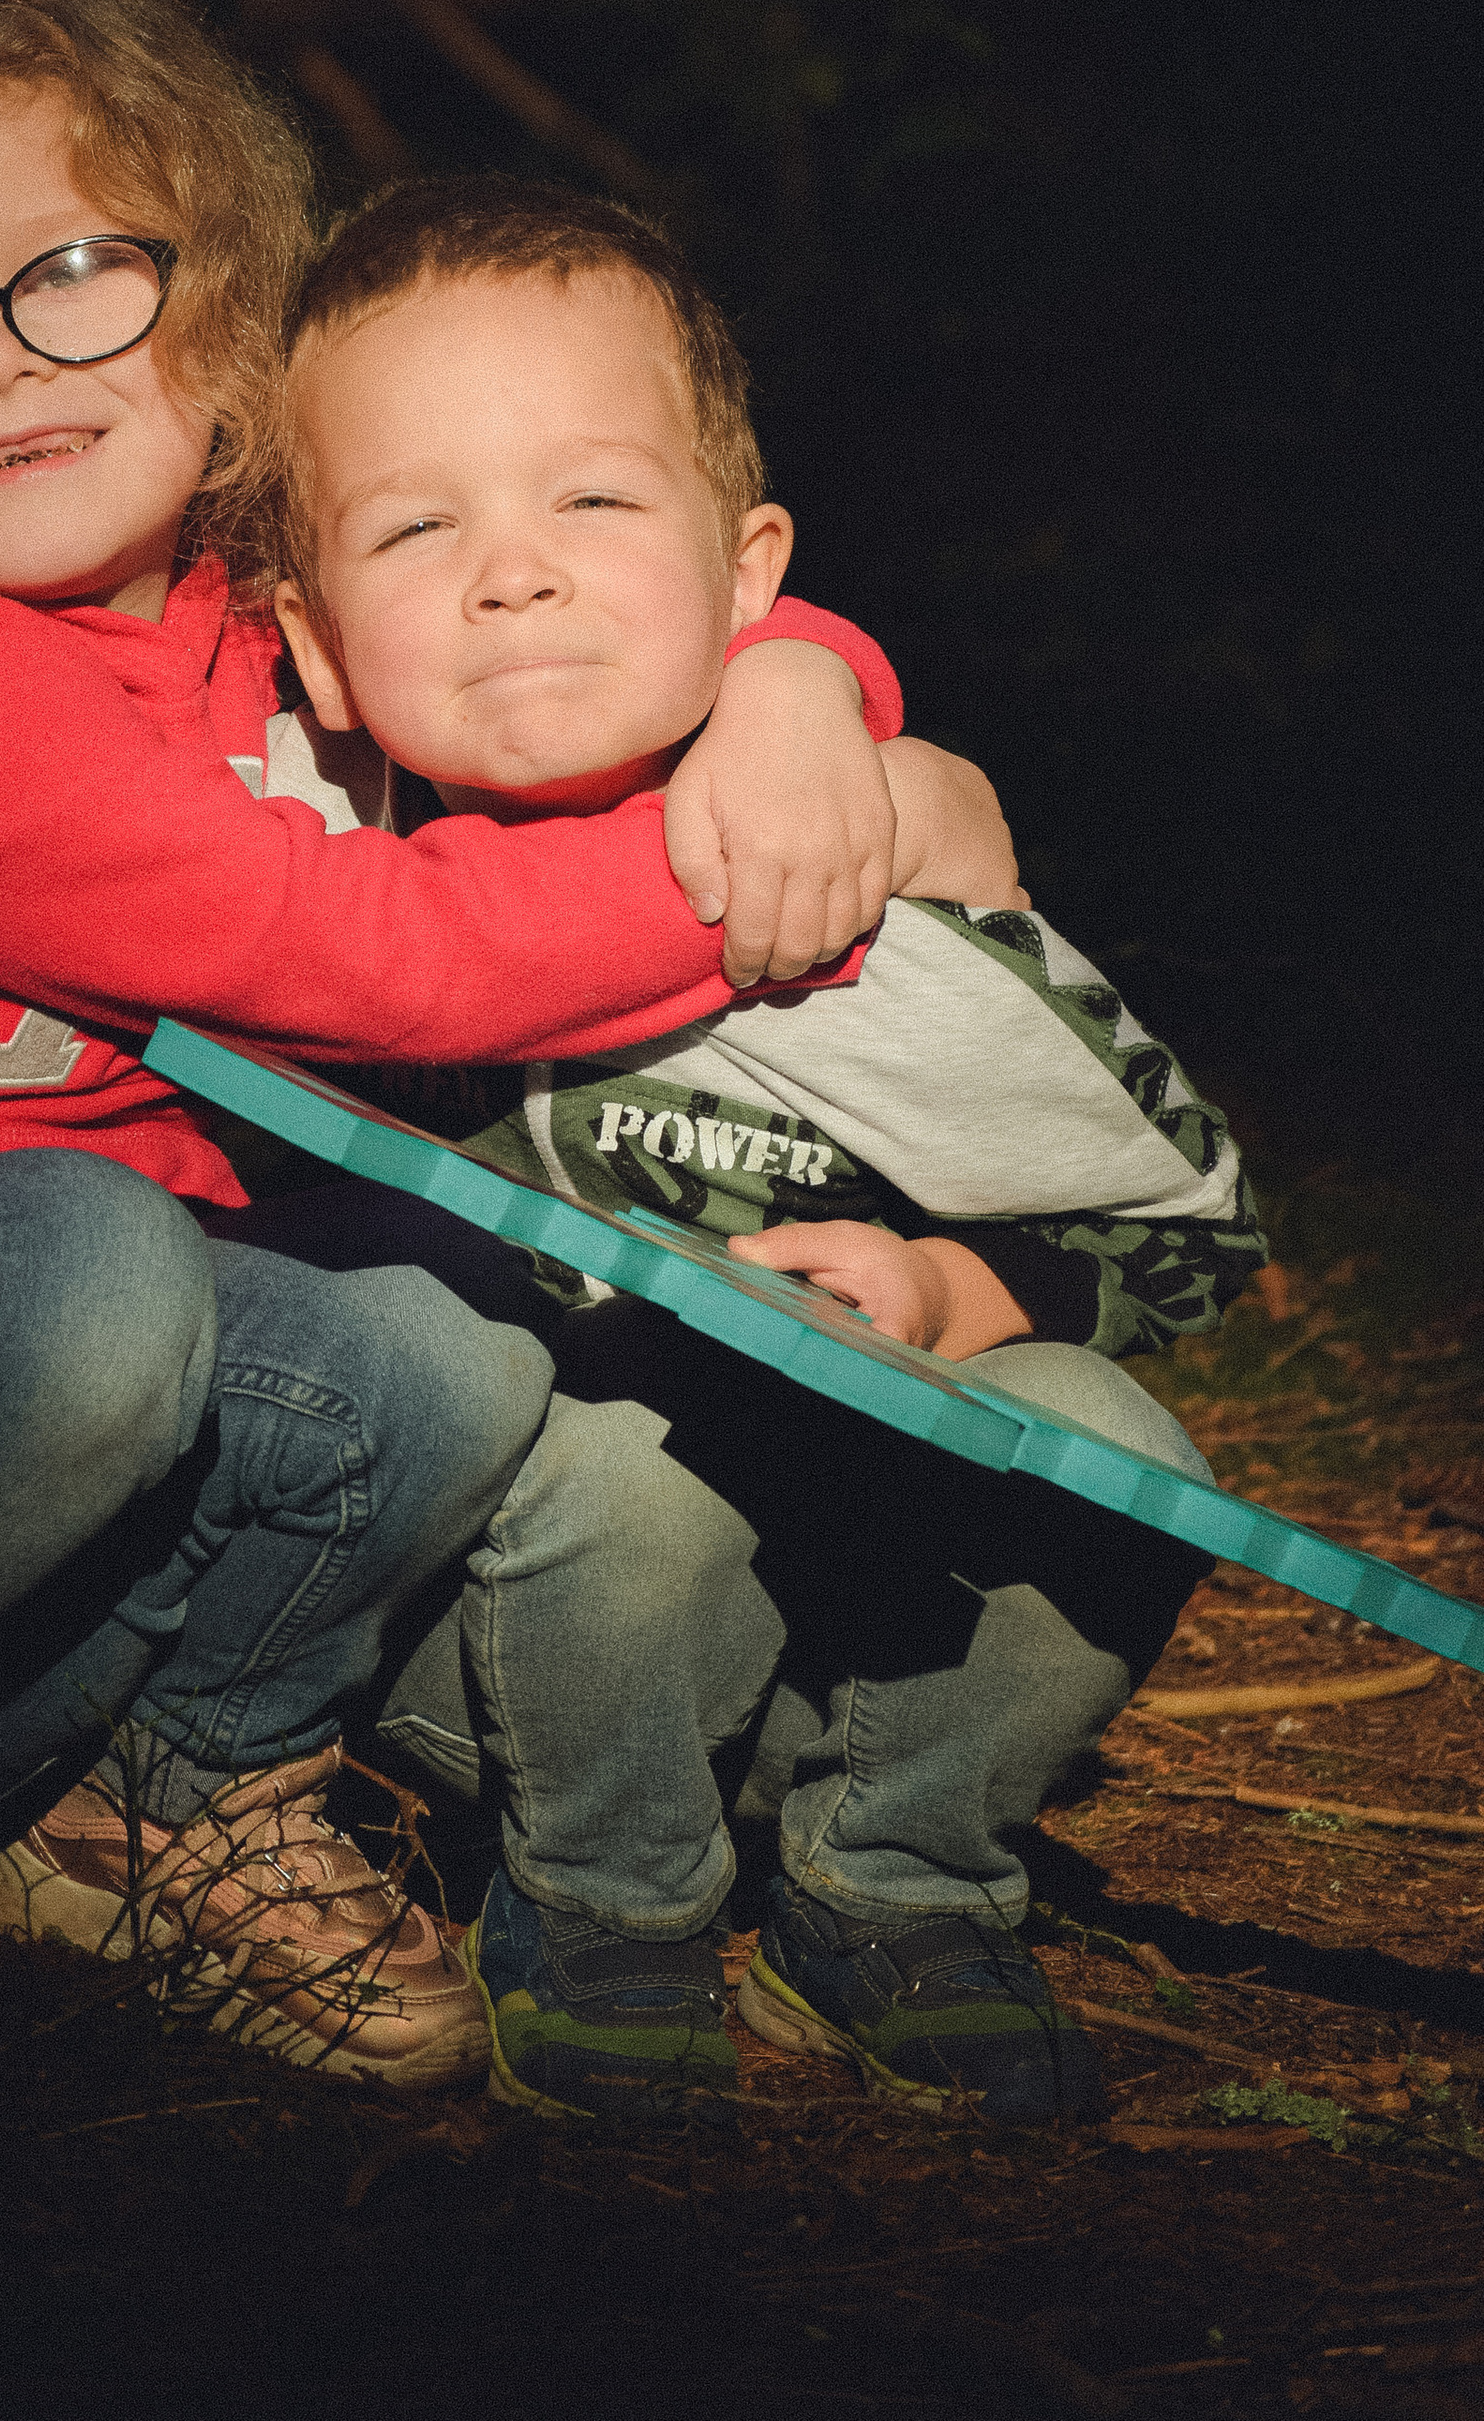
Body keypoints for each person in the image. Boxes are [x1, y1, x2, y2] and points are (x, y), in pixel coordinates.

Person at [0, 0, 972, 2097]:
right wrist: (758, 864)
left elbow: (552, 597)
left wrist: (805, 678)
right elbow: (377, 956)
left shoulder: (237, 616)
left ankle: (166, 1786)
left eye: (69, 269)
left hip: (74, 1408)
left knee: (429, 1328)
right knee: (73, 1260)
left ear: (221, 300)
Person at [264, 172, 1264, 2127]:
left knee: (1122, 1453)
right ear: (311, 642)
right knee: (636, 1453)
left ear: (746, 571)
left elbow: (1156, 1237)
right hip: (503, 1660)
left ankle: (888, 1882)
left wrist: (942, 1283)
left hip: (842, 1623)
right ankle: (599, 1912)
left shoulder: (850, 847)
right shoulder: (324, 880)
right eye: (414, 524)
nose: (511, 572)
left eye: (590, 499)